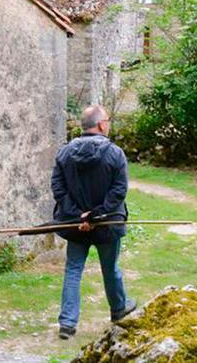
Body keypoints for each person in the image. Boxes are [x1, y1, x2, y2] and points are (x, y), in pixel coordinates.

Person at [50, 105, 137, 339]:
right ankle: (119, 310)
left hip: (77, 225)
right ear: (100, 124)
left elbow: (58, 188)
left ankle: (67, 323)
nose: (108, 124)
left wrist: (78, 214)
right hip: (106, 225)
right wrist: (95, 216)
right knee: (111, 269)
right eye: (107, 120)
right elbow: (118, 191)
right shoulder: (115, 153)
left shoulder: (65, 152)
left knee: (73, 270)